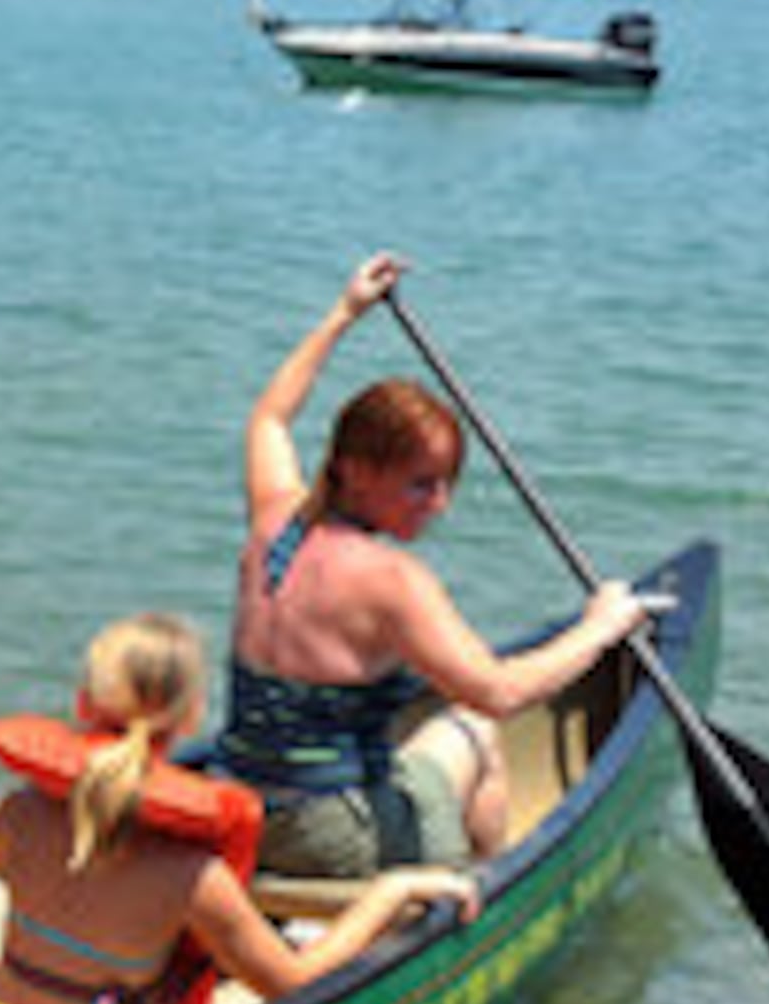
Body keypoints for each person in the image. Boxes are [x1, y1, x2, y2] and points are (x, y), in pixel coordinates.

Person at [0, 611, 476, 1004]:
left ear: (82, 702)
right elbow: (294, 986)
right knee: (257, 977)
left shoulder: (20, 812)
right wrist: (390, 891)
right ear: (191, 718)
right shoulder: (193, 876)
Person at [226, 251, 650, 875]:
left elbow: (270, 417)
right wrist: (602, 627)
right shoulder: (391, 580)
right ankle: (478, 892)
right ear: (354, 471)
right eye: (420, 485)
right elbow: (500, 692)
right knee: (477, 729)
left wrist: (344, 313)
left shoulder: (273, 520)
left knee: (423, 722)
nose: (440, 504)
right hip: (330, 835)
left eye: (447, 483)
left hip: (244, 810)